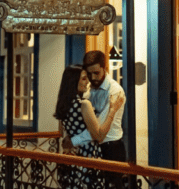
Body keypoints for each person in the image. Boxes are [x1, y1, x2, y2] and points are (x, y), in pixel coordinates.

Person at [54, 64, 124, 189]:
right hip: (88, 158)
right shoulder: (84, 104)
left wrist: (71, 141)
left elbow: (70, 133)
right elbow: (99, 136)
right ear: (74, 81)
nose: (87, 82)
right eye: (83, 78)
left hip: (74, 159)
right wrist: (113, 110)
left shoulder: (65, 105)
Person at [68, 50, 127, 188]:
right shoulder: (88, 89)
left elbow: (98, 132)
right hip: (92, 149)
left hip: (111, 149)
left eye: (96, 73)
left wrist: (73, 141)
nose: (92, 77)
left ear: (104, 68)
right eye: (89, 74)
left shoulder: (115, 91)